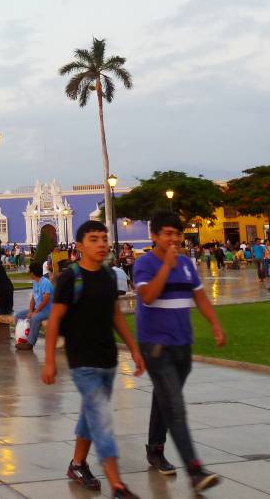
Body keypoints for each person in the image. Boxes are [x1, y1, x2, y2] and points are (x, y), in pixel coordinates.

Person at [42, 220, 144, 499]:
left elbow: (115, 316)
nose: (101, 244)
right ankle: (118, 486)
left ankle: (77, 464)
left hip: (107, 359)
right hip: (82, 361)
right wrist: (49, 360)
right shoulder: (69, 278)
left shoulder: (110, 276)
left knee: (91, 413)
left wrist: (133, 348)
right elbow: (54, 322)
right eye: (93, 239)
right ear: (79, 246)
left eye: (103, 238)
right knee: (102, 420)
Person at [133, 211, 225, 491]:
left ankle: (155, 448)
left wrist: (215, 324)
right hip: (156, 345)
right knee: (175, 406)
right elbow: (148, 297)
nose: (174, 239)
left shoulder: (186, 264)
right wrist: (166, 267)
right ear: (154, 236)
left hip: (182, 345)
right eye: (168, 233)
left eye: (177, 233)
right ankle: (195, 471)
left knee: (165, 397)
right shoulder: (144, 264)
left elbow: (200, 297)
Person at [14, 261, 53, 350]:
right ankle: (22, 338)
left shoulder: (45, 282)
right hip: (38, 309)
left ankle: (30, 343)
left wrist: (35, 312)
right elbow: (33, 299)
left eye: (30, 272)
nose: (29, 274)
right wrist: (31, 310)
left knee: (35, 318)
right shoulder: (35, 282)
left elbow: (45, 300)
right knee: (18, 316)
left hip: (48, 310)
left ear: (33, 273)